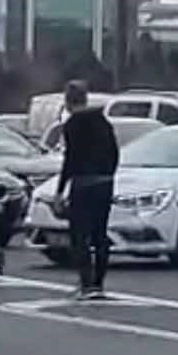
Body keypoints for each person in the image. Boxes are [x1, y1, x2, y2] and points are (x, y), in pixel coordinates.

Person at [52, 80, 119, 300]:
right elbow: (115, 153)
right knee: (100, 234)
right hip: (105, 183)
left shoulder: (73, 125)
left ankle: (86, 283)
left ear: (68, 101)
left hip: (83, 183)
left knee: (79, 235)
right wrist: (109, 175)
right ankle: (99, 283)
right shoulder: (104, 122)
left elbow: (71, 159)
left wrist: (60, 190)